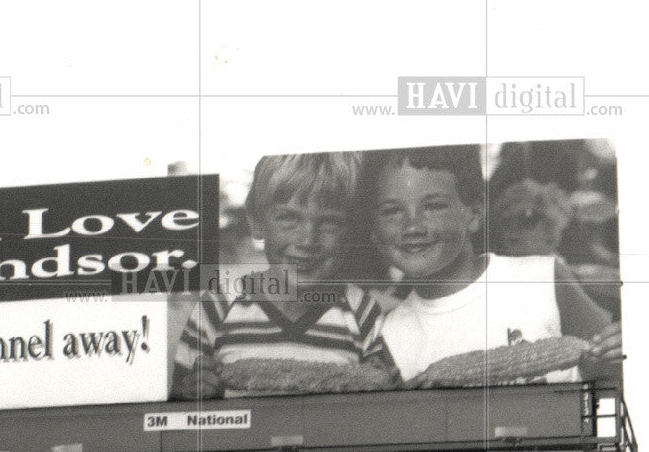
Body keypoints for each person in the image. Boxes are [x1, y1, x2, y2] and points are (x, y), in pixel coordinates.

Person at [363, 144, 622, 386]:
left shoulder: (543, 278)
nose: (412, 227)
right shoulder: (390, 335)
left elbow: (608, 365)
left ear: (475, 214)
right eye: (392, 211)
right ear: (373, 230)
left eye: (433, 206)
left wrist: (615, 351)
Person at [171, 151, 391, 399]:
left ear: (350, 230)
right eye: (288, 218)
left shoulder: (362, 313)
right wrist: (192, 390)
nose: (307, 241)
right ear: (256, 222)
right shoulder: (218, 304)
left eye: (330, 222)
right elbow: (177, 393)